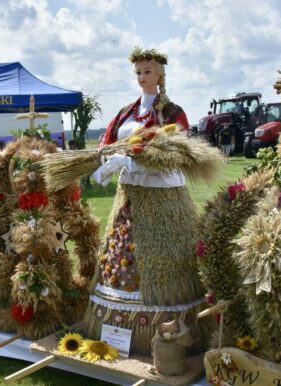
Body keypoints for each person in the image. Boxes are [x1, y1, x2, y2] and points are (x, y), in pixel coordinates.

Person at [83, 47, 209, 355]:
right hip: (129, 199)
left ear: (160, 74)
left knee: (161, 263)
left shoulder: (172, 112)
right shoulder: (127, 112)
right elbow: (107, 141)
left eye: (147, 72)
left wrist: (135, 160)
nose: (142, 77)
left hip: (162, 202)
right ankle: (118, 331)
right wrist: (108, 159)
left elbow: (175, 151)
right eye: (138, 72)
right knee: (121, 255)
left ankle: (164, 334)